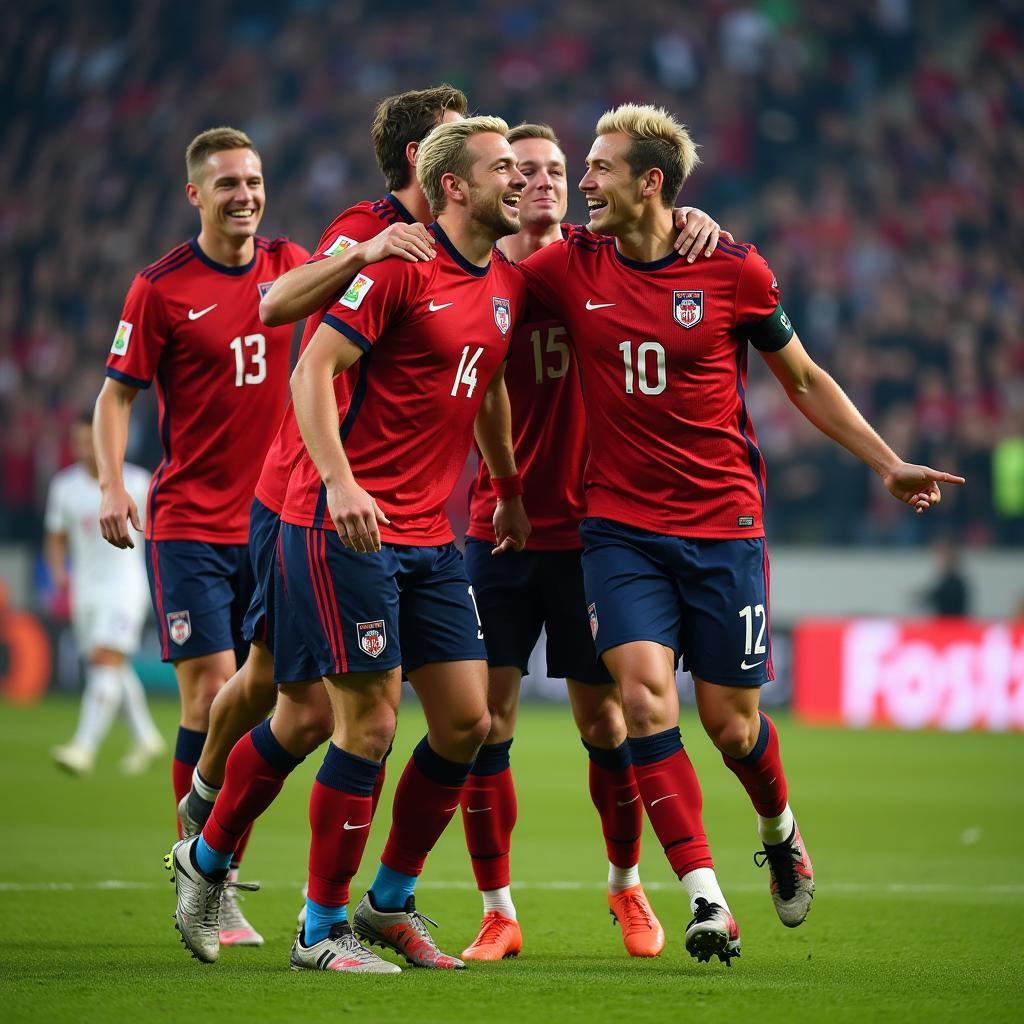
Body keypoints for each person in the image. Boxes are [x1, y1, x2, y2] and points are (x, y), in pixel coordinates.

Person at [515, 103, 965, 965]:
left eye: (600, 167)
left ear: (652, 182)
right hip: (617, 528)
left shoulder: (731, 269)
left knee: (731, 727)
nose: (583, 181)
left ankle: (780, 827)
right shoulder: (569, 267)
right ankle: (706, 898)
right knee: (644, 698)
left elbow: (802, 377)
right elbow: (482, 277)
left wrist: (885, 461)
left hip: (725, 527)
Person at [166, 115, 530, 974]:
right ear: (452, 184)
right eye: (502, 169)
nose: (518, 182)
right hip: (343, 526)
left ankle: (381, 900)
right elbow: (309, 368)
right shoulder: (394, 260)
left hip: (430, 536)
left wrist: (506, 488)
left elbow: (484, 385)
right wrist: (338, 481)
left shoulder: (506, 283)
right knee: (351, 721)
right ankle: (315, 927)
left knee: (468, 722)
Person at [458, 123, 729, 961]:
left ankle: (627, 887)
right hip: (496, 527)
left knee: (607, 721)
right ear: (502, 184)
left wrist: (696, 221)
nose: (542, 181)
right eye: (523, 170)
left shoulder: (599, 256)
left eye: (552, 169)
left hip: (595, 532)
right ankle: (498, 910)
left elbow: (666, 238)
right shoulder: (490, 277)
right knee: (483, 725)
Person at [95, 126, 309, 946]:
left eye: (254, 180)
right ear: (196, 195)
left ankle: (207, 862)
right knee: (209, 691)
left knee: (259, 699)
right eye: (227, 184)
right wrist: (115, 482)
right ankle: (210, 886)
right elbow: (116, 395)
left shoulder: (296, 266)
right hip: (190, 521)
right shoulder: (162, 288)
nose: (245, 195)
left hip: (277, 520)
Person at [46, 412, 164, 776]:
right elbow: (55, 535)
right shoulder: (64, 486)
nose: (85, 448)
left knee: (105, 659)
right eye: (79, 441)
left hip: (126, 586)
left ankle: (83, 747)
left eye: (90, 440)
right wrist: (57, 571)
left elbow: (163, 530)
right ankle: (146, 737)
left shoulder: (139, 482)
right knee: (110, 666)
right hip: (86, 591)